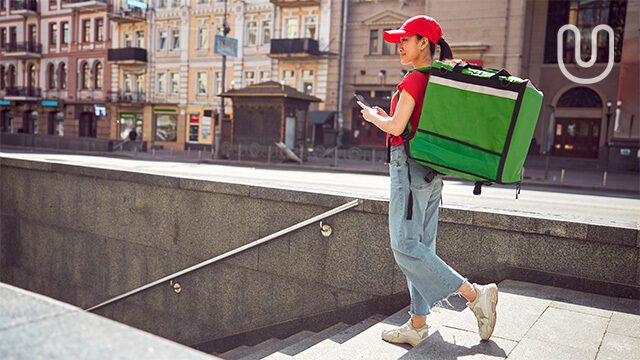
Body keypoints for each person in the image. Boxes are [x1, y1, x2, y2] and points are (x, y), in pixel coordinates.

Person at [358, 15, 499, 347]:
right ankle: (418, 324)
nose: (400, 46)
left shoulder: (414, 80)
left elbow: (395, 128)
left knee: (405, 246)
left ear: (424, 43)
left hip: (407, 168)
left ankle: (474, 294)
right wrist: (388, 117)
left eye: (405, 40)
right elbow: (410, 122)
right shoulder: (436, 78)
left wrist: (373, 117)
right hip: (430, 171)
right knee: (421, 246)